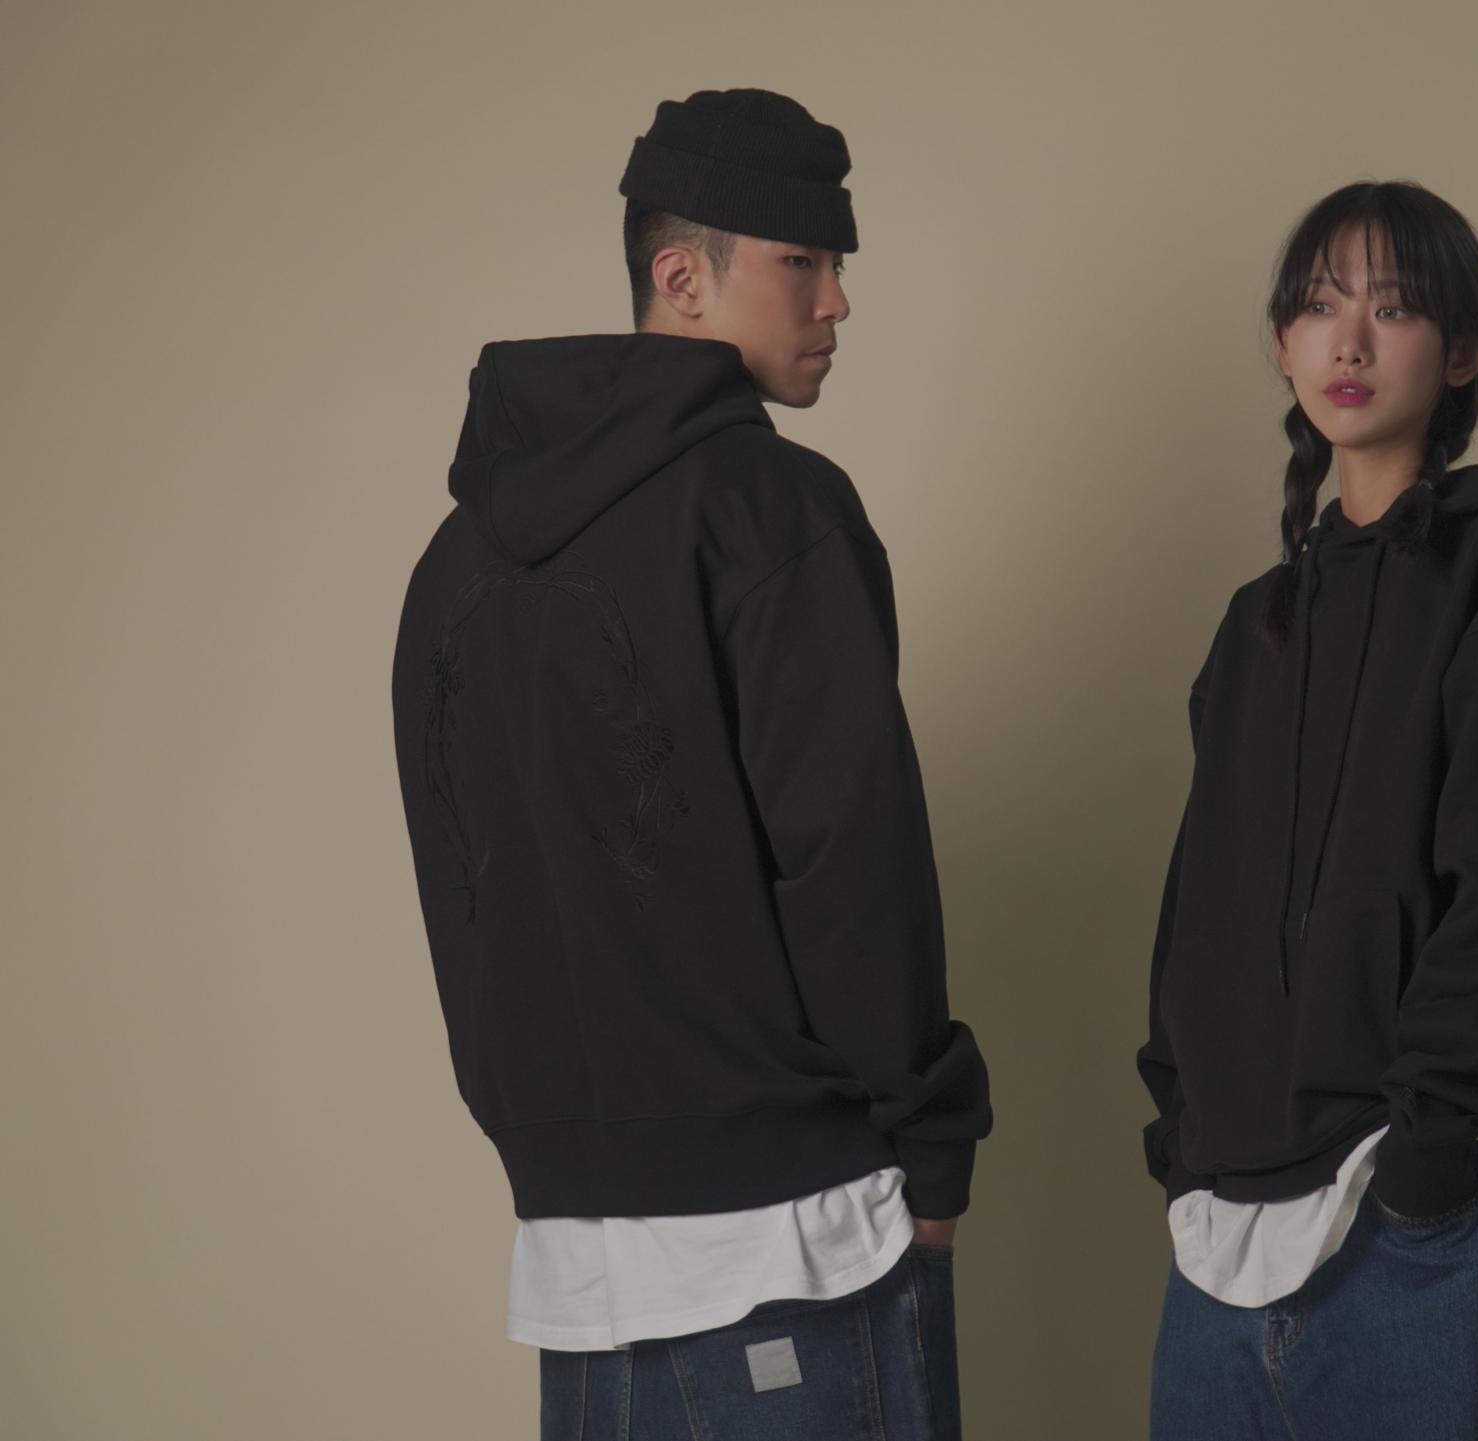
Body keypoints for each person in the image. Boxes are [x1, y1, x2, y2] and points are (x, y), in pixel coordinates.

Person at [391, 88, 988, 1441]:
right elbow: (850, 854)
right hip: (798, 1245)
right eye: (802, 260)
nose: (838, 300)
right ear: (682, 277)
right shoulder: (774, 511)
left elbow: (460, 883)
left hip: (575, 1275)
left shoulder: (453, 565)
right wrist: (933, 1139)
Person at [1138, 181, 1478, 1440]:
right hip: (1231, 1230)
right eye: (1320, 306)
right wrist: (1185, 1136)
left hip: (1438, 1199)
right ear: (1283, 342)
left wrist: (1435, 1143)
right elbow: (1203, 904)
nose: (1349, 341)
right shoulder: (1256, 626)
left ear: (1462, 353)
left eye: (1395, 308)